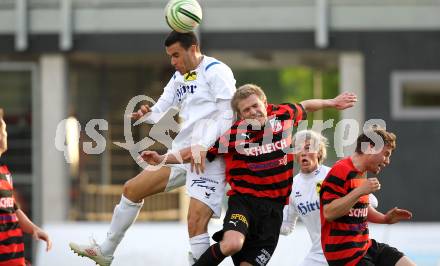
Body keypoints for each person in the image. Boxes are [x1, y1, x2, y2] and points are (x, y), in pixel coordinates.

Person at [141, 84, 357, 266]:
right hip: (244, 203)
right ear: (240, 115)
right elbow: (196, 152)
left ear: (265, 102)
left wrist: (333, 102)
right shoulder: (234, 135)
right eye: (246, 110)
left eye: (256, 105)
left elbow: (306, 105)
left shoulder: (282, 114)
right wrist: (163, 158)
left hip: (273, 211)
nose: (253, 112)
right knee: (232, 243)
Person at [69, 31, 236, 266]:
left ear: (193, 48)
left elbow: (228, 114)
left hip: (208, 159)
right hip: (182, 154)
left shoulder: (217, 71)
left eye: (176, 55)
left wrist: (202, 144)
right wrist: (146, 115)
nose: (173, 62)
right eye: (170, 56)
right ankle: (105, 251)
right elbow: (160, 110)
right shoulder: (179, 78)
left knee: (195, 224)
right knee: (132, 189)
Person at [320, 127, 416, 266]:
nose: (387, 161)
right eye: (386, 154)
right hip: (345, 254)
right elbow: (329, 212)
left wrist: (385, 218)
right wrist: (359, 191)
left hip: (365, 246)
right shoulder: (341, 170)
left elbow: (360, 208)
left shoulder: (361, 172)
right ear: (371, 148)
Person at [280, 130, 378, 266]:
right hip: (318, 254)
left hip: (347, 249)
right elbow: (287, 227)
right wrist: (264, 220)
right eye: (298, 148)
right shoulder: (292, 187)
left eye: (308, 147)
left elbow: (372, 201)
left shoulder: (334, 174)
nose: (303, 152)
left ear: (319, 151)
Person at [0, 109, 52, 265]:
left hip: (15, 259)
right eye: (2, 129)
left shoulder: (5, 172)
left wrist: (34, 229)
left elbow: (14, 210)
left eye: (4, 129)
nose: (5, 134)